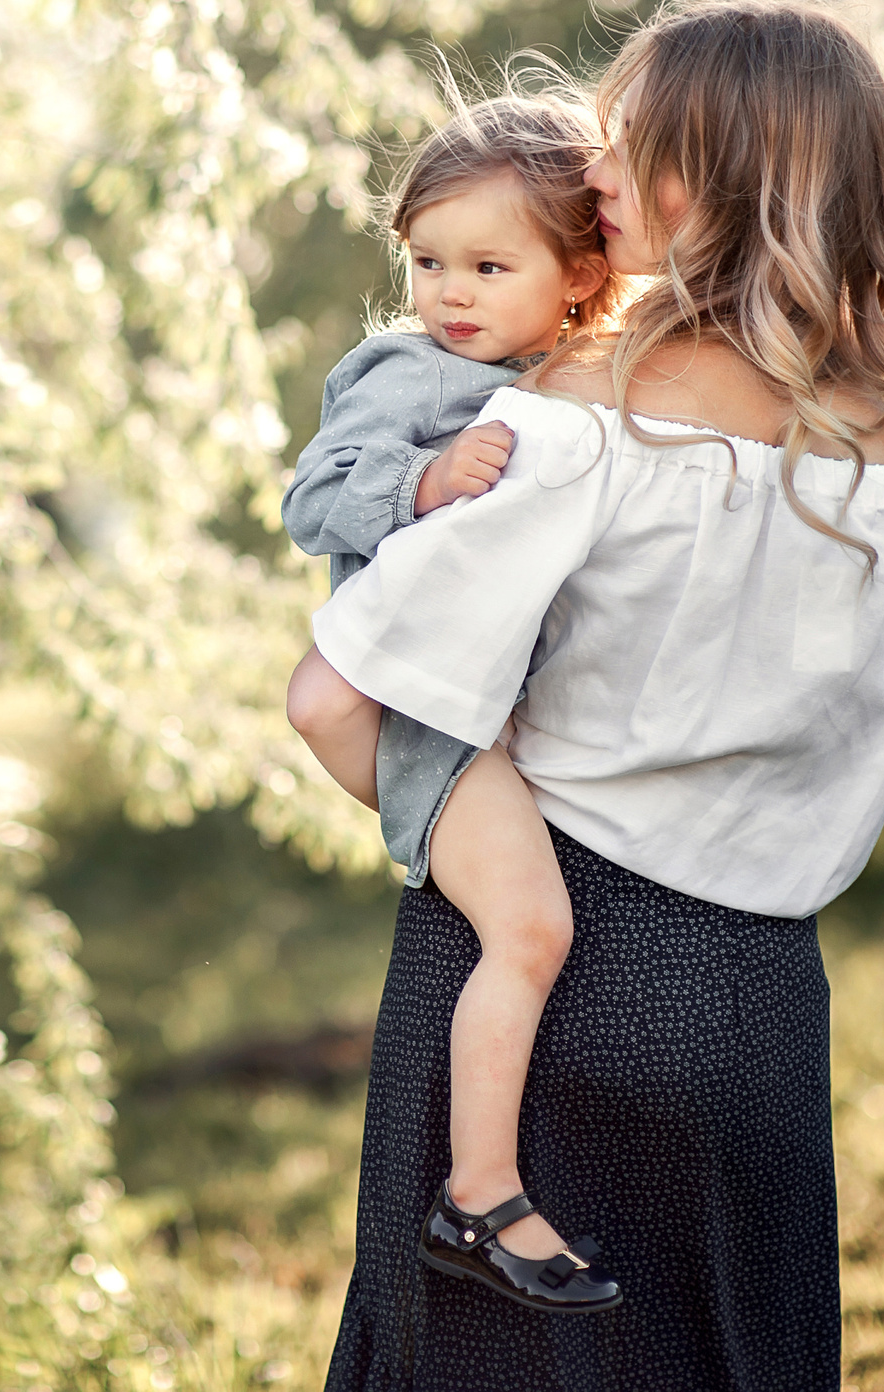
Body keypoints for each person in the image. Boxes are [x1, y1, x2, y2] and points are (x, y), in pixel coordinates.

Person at [315, 0, 884, 1392]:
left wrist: (462, 832)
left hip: (534, 966)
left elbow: (340, 695)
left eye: (634, 148)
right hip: (759, 998)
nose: (594, 173)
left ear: (733, 179)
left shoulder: (580, 408)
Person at [282, 83, 640, 1314]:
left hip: (499, 710)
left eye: (488, 266)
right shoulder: (407, 372)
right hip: (432, 722)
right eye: (428, 262)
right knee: (530, 932)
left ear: (580, 276)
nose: (450, 294)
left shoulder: (583, 375)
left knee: (531, 924)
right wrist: (423, 481)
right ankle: (480, 1193)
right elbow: (312, 500)